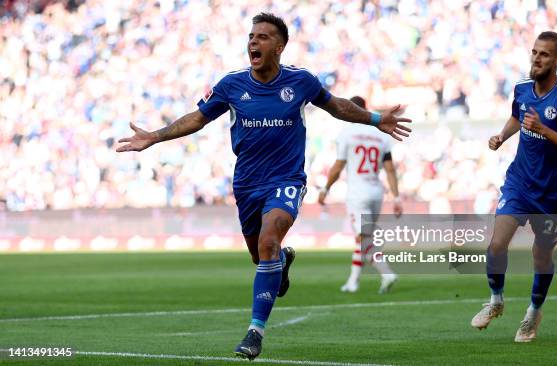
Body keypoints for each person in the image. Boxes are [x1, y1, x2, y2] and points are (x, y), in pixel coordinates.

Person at [116, 13, 411, 360]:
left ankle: (255, 332)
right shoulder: (230, 85)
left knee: (269, 239)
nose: (254, 42)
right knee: (262, 256)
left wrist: (376, 119)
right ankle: (281, 261)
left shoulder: (301, 81)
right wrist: (155, 136)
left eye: (264, 37)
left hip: (286, 179)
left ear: (280, 47)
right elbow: (197, 118)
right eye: (252, 36)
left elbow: (337, 107)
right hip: (247, 184)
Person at [470, 31, 557, 342]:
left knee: (541, 255)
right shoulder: (521, 89)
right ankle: (495, 301)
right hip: (519, 183)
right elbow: (515, 117)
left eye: (544, 54)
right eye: (534, 52)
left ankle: (533, 313)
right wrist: (501, 136)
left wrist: (545, 130)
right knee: (496, 245)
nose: (536, 58)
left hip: (551, 192)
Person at [318, 96, 401, 294]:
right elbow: (390, 169)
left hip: (358, 192)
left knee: (364, 239)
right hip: (376, 192)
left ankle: (386, 273)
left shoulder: (347, 133)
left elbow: (338, 166)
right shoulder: (381, 135)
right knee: (364, 238)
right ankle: (353, 282)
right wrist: (396, 197)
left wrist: (325, 188)